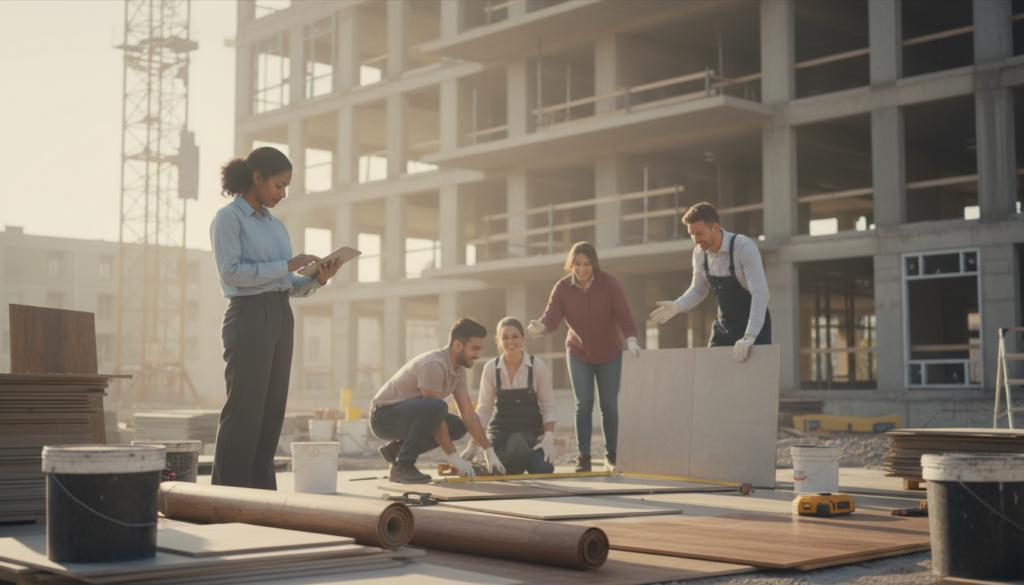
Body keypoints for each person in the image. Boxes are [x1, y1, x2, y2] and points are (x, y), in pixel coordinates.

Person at [210, 146, 342, 490]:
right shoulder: (228, 218)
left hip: (281, 315)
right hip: (248, 316)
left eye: (285, 187)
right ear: (257, 178)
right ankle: (229, 492)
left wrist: (317, 278)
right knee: (244, 410)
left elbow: (285, 284)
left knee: (271, 411)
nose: (282, 194)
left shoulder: (277, 226)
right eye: (278, 186)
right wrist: (285, 266)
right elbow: (231, 274)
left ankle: (261, 492)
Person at [526, 242, 639, 473]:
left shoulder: (609, 283)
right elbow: (552, 317)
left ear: (593, 264)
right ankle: (584, 457)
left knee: (609, 406)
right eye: (577, 263)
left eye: (587, 264)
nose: (582, 269)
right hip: (578, 352)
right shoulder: (562, 288)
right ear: (571, 264)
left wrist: (631, 339)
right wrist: (541, 327)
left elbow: (624, 315)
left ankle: (612, 455)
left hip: (609, 353)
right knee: (583, 404)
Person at [370, 318, 507, 484]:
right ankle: (403, 465)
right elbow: (436, 414)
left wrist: (488, 450)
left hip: (407, 416)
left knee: (458, 427)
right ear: (458, 345)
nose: (478, 355)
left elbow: (468, 413)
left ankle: (396, 451)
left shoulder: (459, 370)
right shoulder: (433, 364)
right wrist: (454, 458)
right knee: (437, 407)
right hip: (383, 418)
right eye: (475, 349)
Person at [650, 202, 770, 362]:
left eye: (699, 233)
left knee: (754, 379)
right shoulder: (700, 254)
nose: (695, 240)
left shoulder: (744, 247)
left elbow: (760, 293)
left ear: (715, 227)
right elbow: (698, 289)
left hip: (753, 325)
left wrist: (750, 335)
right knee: (711, 374)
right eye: (692, 234)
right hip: (723, 326)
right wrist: (677, 306)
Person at [461, 317, 557, 475]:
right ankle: (511, 461)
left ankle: (516, 460)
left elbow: (547, 406)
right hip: (500, 434)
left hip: (530, 433)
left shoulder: (538, 365)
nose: (510, 341)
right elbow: (484, 409)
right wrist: (474, 444)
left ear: (523, 339)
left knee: (543, 468)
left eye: (515, 336)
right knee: (505, 465)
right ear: (498, 340)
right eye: (505, 337)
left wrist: (548, 439)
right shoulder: (491, 368)